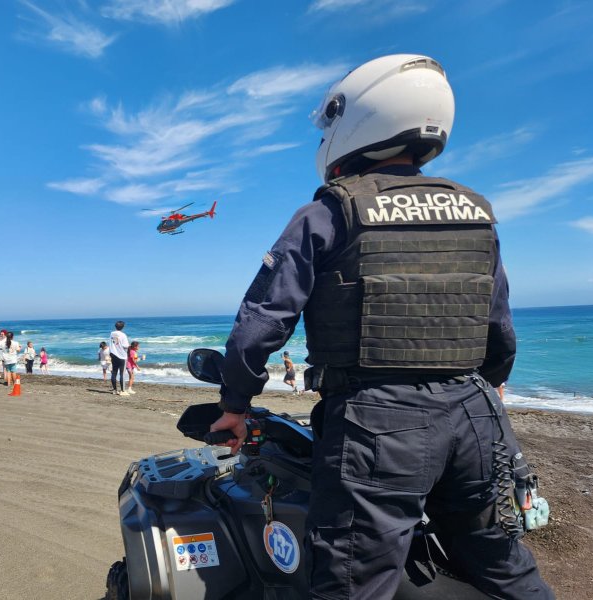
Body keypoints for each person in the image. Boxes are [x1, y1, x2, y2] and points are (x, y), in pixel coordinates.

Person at [209, 55, 553, 599]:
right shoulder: (475, 212)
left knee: (353, 582)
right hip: (474, 415)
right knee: (502, 566)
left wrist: (235, 403)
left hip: (377, 424)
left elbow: (264, 319)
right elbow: (498, 325)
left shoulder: (331, 211)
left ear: (357, 117)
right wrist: (484, 386)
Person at [109, 321, 130, 396]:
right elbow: (125, 345)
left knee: (114, 372)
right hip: (121, 355)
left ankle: (114, 390)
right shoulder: (123, 335)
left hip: (113, 354)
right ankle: (123, 390)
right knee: (122, 374)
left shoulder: (112, 333)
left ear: (115, 326)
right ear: (123, 327)